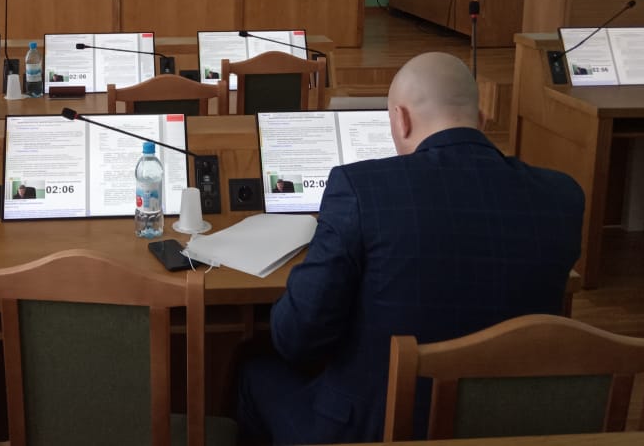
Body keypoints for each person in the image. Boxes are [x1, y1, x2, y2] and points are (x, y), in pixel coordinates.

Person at [236, 52, 584, 445]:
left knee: (253, 372)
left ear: (400, 119)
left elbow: (297, 339)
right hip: (506, 425)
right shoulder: (563, 196)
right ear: (482, 120)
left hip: (374, 429)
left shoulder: (361, 188)